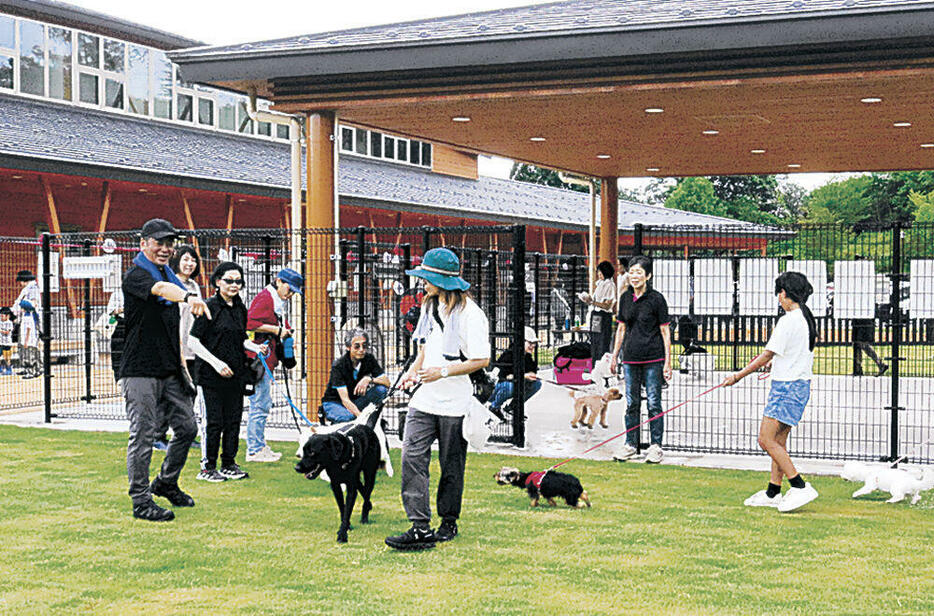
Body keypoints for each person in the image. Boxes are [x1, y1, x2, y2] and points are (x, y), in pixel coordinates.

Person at [385, 247, 490, 551]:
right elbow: (423, 349)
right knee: (411, 456)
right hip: (424, 397)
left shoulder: (471, 314)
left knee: (451, 464)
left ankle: (448, 521)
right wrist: (413, 372)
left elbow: (481, 359)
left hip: (455, 402)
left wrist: (442, 371)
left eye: (427, 279)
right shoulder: (429, 306)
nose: (423, 284)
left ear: (443, 281)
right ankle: (419, 526)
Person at [120, 218, 210, 522]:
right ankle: (141, 501)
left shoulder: (169, 273)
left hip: (170, 368)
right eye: (158, 242)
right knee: (143, 434)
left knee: (187, 428)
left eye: (169, 243)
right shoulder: (137, 275)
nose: (165, 248)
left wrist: (183, 368)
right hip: (140, 369)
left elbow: (173, 329)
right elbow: (160, 289)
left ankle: (166, 483)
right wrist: (187, 296)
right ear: (143, 243)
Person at [723, 271, 819, 513]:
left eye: (779, 293)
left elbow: (766, 354)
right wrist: (773, 362)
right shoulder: (805, 318)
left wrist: (737, 376)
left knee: (765, 440)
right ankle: (773, 492)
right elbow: (788, 353)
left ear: (785, 293)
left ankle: (799, 485)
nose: (779, 298)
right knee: (778, 442)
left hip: (786, 388)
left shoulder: (788, 319)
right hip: (797, 386)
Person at [189, 262, 266, 482]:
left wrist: (254, 347)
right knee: (213, 422)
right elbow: (193, 341)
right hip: (210, 376)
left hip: (236, 374)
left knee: (233, 420)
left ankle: (229, 463)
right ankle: (207, 467)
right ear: (217, 282)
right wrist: (215, 363)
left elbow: (240, 338)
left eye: (238, 281)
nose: (234, 285)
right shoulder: (209, 307)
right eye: (229, 280)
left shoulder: (240, 308)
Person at [609, 256, 671, 464]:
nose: (634, 276)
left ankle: (655, 446)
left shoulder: (657, 299)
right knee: (632, 403)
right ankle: (631, 444)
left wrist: (668, 362)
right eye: (632, 272)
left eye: (639, 272)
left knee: (654, 402)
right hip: (630, 358)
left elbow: (665, 331)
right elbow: (621, 328)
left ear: (648, 276)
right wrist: (615, 355)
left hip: (653, 357)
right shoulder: (625, 298)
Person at [245, 267, 303, 462]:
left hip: (268, 359)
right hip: (259, 358)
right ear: (279, 281)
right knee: (260, 403)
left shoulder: (275, 300)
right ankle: (254, 449)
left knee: (264, 402)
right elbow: (250, 322)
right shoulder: (265, 298)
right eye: (290, 289)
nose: (291, 294)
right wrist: (277, 330)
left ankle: (259, 445)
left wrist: (285, 330)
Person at [152, 245, 204, 451]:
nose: (190, 264)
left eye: (193, 260)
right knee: (167, 393)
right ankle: (158, 435)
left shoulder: (193, 285)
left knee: (190, 393)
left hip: (192, 348)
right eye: (185, 259)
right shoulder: (170, 286)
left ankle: (185, 433)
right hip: (174, 349)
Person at [321, 328, 390, 423]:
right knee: (348, 418)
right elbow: (345, 400)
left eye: (364, 346)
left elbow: (387, 383)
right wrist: (361, 418)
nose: (361, 350)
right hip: (335, 403)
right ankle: (333, 417)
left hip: (355, 400)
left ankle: (372, 420)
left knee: (381, 390)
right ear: (348, 347)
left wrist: (369, 379)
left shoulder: (369, 359)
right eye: (357, 347)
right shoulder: (339, 365)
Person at [488, 326, 542, 421]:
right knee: (509, 387)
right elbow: (503, 377)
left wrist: (530, 375)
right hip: (498, 387)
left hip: (514, 384)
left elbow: (531, 371)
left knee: (536, 384)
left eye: (534, 343)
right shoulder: (509, 355)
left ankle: (513, 407)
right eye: (530, 343)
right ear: (521, 342)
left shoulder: (527, 356)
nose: (533, 346)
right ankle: (494, 407)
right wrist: (523, 376)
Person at [578, 260, 617, 362]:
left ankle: (601, 368)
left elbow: (607, 305)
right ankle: (595, 367)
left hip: (603, 316)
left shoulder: (610, 285)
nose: (599, 274)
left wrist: (592, 302)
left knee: (602, 343)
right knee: (595, 342)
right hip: (595, 315)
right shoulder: (600, 284)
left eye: (600, 272)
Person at [12, 270, 41, 379]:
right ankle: (29, 367)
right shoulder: (28, 288)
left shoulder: (32, 288)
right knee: (24, 344)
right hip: (24, 318)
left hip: (31, 319)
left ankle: (33, 368)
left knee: (30, 345)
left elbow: (33, 304)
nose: (20, 283)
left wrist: (20, 305)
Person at [105, 288, 126, 383]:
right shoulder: (117, 294)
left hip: (135, 323)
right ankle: (118, 376)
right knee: (117, 351)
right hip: (120, 323)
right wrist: (122, 309)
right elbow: (110, 310)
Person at [0, 307, 13, 375]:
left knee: (7, 358)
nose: (1, 316)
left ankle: (9, 369)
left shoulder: (9, 323)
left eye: (3, 314)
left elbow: (7, 332)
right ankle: (1, 369)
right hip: (0, 342)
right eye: (1, 314)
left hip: (7, 343)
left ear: (8, 316)